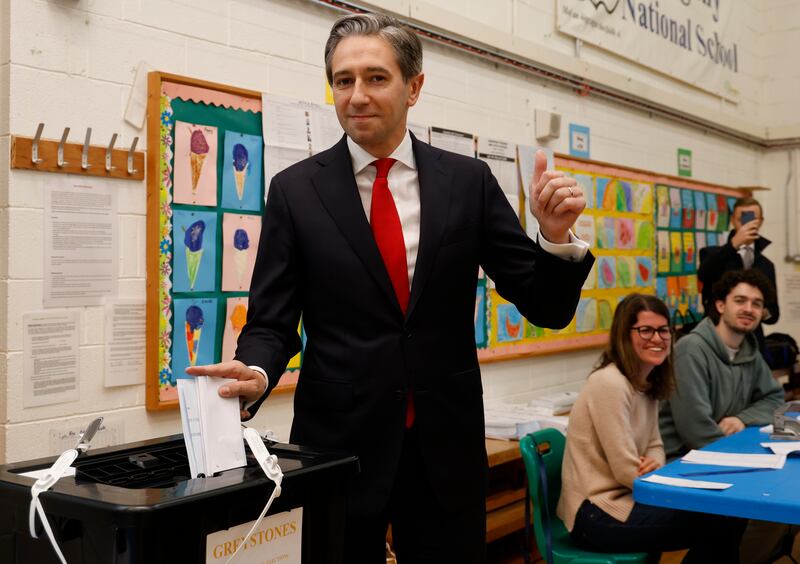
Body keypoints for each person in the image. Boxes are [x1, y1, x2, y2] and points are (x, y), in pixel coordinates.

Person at [187, 13, 594, 563]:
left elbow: (546, 306)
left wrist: (554, 236)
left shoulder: (467, 183)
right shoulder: (295, 192)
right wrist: (256, 373)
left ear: (414, 87)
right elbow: (272, 322)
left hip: (445, 447)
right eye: (343, 80)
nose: (357, 95)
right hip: (338, 447)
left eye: (376, 78)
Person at [558, 293, 746, 562]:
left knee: (728, 513)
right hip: (596, 511)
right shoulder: (609, 383)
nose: (657, 338)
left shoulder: (646, 384)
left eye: (663, 330)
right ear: (625, 335)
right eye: (645, 330)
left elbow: (656, 446)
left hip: (631, 497)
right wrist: (654, 470)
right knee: (720, 519)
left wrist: (654, 462)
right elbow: (626, 470)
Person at [659, 269, 789, 564]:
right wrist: (750, 464)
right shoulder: (691, 350)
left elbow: (774, 399)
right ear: (720, 305)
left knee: (779, 503)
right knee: (767, 505)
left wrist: (742, 419)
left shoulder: (748, 350)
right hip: (682, 464)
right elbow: (696, 431)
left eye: (757, 304)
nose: (749, 309)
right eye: (740, 300)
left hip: (720, 456)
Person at [698, 197, 778, 352]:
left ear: (760, 222)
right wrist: (734, 244)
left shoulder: (766, 265)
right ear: (733, 221)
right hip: (716, 339)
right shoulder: (713, 254)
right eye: (743, 218)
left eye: (752, 218)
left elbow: (774, 314)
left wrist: (759, 311)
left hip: (753, 343)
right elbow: (704, 274)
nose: (747, 223)